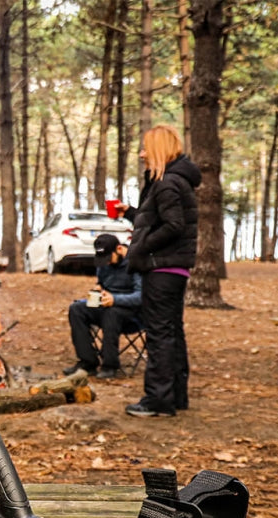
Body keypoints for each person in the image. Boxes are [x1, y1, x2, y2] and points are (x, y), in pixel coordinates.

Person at [115, 124, 200, 417]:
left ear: (158, 150)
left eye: (146, 148)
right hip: (174, 269)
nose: (142, 154)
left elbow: (173, 226)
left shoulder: (167, 182)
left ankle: (158, 400)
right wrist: (130, 213)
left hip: (161, 269)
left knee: (159, 334)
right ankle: (176, 396)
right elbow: (160, 219)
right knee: (172, 331)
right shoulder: (175, 181)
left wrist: (142, 247)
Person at [63, 234, 142, 379]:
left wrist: (115, 299)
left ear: (119, 249)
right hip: (106, 305)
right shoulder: (104, 264)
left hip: (132, 313)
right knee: (76, 309)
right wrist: (98, 289)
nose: (107, 263)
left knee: (112, 313)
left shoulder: (136, 262)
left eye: (109, 258)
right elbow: (102, 283)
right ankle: (88, 362)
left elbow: (141, 296)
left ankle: (110, 365)